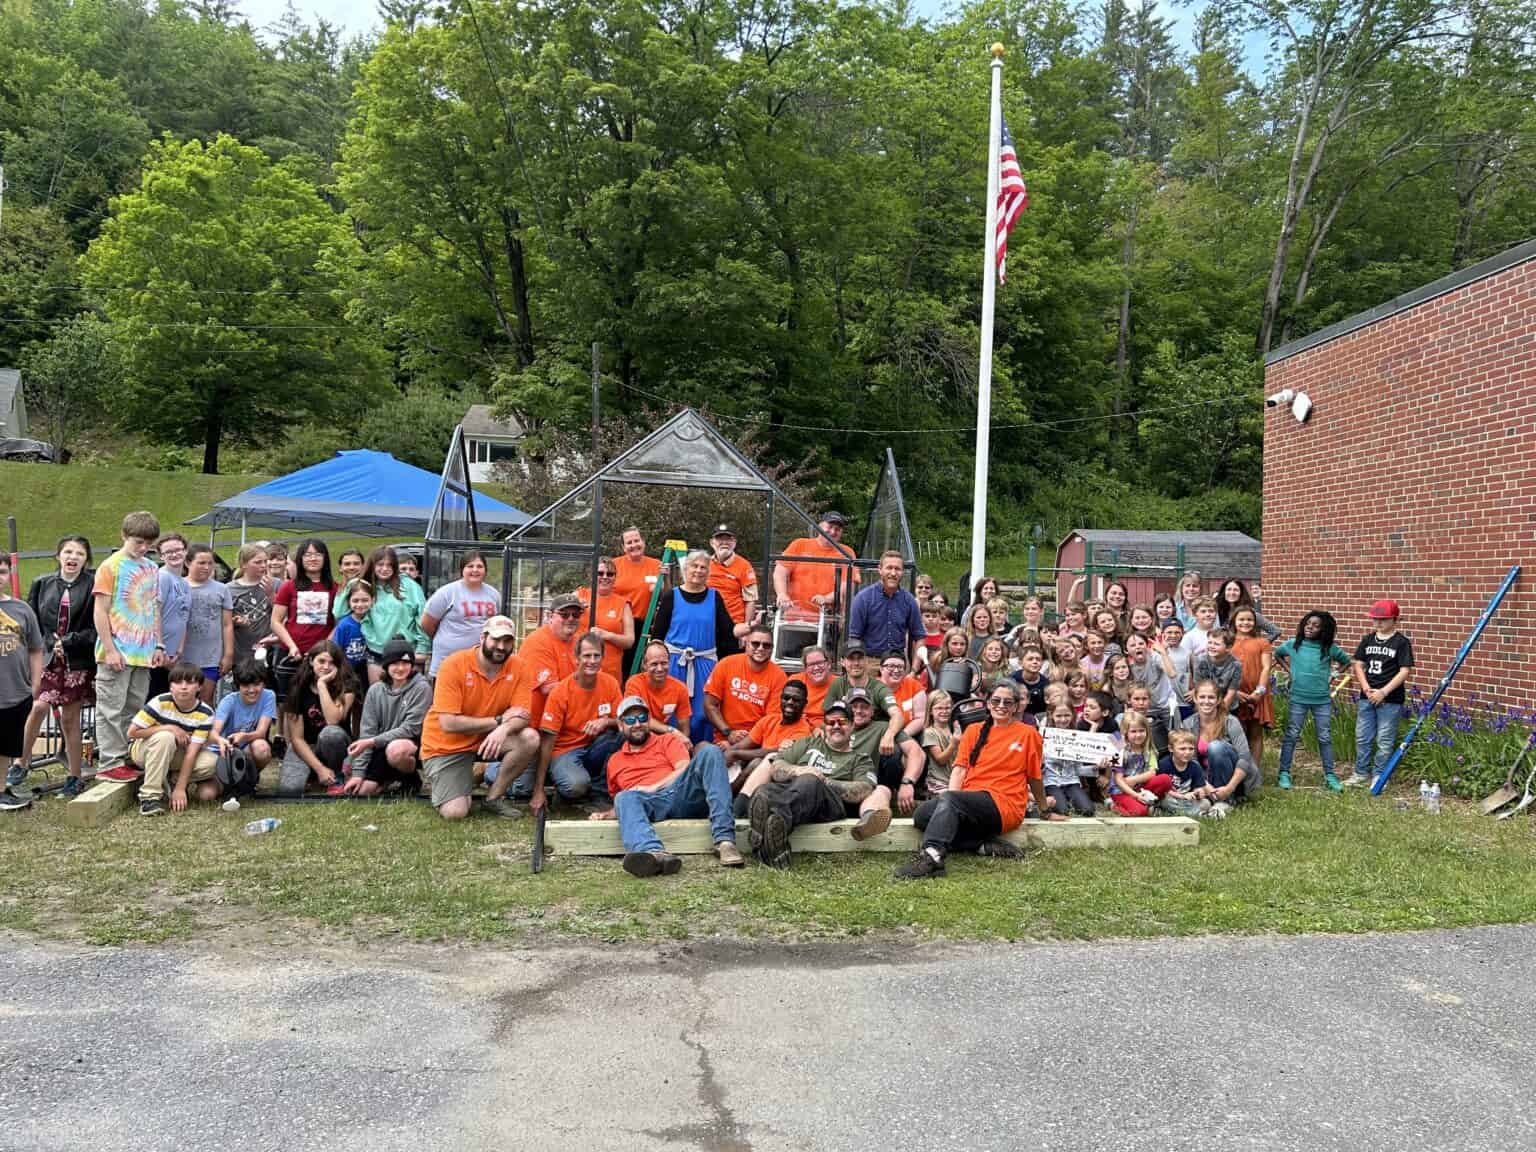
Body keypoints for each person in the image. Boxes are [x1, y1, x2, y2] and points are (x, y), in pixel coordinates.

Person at [895, 680, 1062, 879]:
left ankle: (932, 857)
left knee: (950, 801)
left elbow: (1035, 778)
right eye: (996, 701)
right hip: (970, 801)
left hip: (1005, 804)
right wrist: (949, 800)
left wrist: (1044, 810)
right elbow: (958, 771)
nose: (1001, 706)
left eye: (1007, 702)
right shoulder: (973, 731)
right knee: (921, 815)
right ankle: (980, 844)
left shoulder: (1028, 734)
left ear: (1016, 706)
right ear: (988, 703)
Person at [599, 695, 745, 876]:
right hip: (650, 804)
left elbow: (684, 769)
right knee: (624, 796)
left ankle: (725, 841)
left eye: (642, 718)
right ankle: (653, 854)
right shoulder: (614, 761)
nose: (637, 723)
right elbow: (623, 803)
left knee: (710, 751)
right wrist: (605, 815)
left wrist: (654, 787)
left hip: (680, 792)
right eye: (630, 719)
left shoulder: (667, 740)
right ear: (621, 726)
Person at [745, 697, 891, 869]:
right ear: (825, 726)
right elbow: (777, 766)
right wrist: (798, 770)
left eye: (842, 721)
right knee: (764, 791)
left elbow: (864, 789)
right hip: (793, 793)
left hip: (829, 804)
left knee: (809, 781)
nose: (836, 726)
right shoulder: (808, 743)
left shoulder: (860, 759)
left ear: (852, 726)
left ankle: (771, 826)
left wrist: (824, 781)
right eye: (830, 722)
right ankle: (774, 841)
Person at [419, 615, 541, 821]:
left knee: (530, 738)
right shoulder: (453, 665)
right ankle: (452, 783)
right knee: (455, 813)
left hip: (489, 739)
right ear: (482, 638)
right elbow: (448, 723)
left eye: (507, 641)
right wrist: (499, 721)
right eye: (496, 639)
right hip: (446, 745)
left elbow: (523, 716)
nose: (501, 646)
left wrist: (503, 730)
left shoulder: (519, 666)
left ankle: (493, 799)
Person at [18, 536, 95, 798]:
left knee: (71, 719)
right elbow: (32, 622)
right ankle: (22, 762)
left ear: (86, 559)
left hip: (77, 661)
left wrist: (70, 642)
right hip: (48, 657)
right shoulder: (42, 584)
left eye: (80, 554)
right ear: (58, 555)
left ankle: (74, 776)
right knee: (39, 705)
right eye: (68, 552)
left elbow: (96, 628)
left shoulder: (93, 585)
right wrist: (49, 643)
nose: (73, 558)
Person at [513, 631, 622, 809]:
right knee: (575, 786)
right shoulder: (561, 691)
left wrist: (606, 722)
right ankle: (560, 781)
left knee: (620, 736)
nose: (592, 661)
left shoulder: (610, 683)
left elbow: (623, 720)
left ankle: (599, 793)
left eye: (597, 656)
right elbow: (548, 741)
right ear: (577, 659)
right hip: (564, 750)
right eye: (587, 656)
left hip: (594, 747)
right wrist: (538, 790)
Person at [92, 511, 164, 780]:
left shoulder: (152, 568)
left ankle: (126, 757)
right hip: (117, 651)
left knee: (134, 709)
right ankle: (109, 763)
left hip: (143, 653)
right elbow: (101, 610)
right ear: (124, 536)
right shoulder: (111, 566)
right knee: (111, 708)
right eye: (138, 542)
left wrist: (158, 644)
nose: (143, 548)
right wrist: (110, 649)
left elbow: (153, 608)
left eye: (148, 543)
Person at [652, 550, 740, 743]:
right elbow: (657, 635)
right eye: (695, 566)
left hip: (705, 665)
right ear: (686, 568)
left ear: (708, 572)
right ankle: (671, 754)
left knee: (703, 714)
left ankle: (701, 754)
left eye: (703, 567)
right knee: (673, 713)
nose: (698, 571)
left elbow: (728, 631)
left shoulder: (715, 597)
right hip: (674, 665)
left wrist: (748, 629)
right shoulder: (671, 597)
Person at [125, 663, 218, 816]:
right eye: (178, 682)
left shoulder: (206, 713)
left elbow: (191, 753)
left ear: (200, 687)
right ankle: (150, 798)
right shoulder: (160, 702)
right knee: (166, 737)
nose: (183, 687)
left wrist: (180, 788)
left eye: (190, 682)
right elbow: (133, 732)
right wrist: (169, 728)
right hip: (144, 750)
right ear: (171, 686)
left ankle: (171, 780)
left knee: (212, 762)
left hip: (177, 754)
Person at [1274, 610, 1352, 791]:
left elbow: (1346, 661)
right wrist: (1289, 671)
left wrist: (1333, 675)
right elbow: (1277, 654)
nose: (1310, 628)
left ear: (1324, 630)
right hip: (1298, 698)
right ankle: (1284, 772)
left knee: (1324, 737)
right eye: (1308, 624)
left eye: (1316, 626)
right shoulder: (1293, 644)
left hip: (1322, 700)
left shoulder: (1329, 648)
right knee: (1291, 735)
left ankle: (1330, 775)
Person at [343, 637, 431, 797]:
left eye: (405, 663)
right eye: (395, 663)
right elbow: (367, 731)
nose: (400, 668)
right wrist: (358, 773)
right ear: (386, 666)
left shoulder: (422, 688)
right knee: (362, 792)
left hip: (409, 745)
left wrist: (370, 742)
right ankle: (387, 780)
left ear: (412, 665)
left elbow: (411, 729)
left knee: (396, 750)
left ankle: (410, 780)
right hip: (379, 746)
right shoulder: (375, 690)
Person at [1349, 599, 1415, 788]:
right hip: (1367, 696)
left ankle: (1379, 775)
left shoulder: (1401, 642)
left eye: (1383, 619)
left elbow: (1404, 671)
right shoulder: (1368, 639)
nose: (1378, 623)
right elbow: (1358, 664)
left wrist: (1383, 692)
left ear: (1395, 620)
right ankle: (1361, 772)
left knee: (1384, 739)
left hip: (1390, 699)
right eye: (1375, 619)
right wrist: (1365, 688)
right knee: (1362, 736)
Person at [277, 641, 357, 795]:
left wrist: (322, 685)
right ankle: (317, 773)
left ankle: (337, 774)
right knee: (289, 790)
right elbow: (297, 739)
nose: (326, 667)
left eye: (331, 663)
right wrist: (319, 769)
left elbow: (333, 721)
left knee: (330, 733)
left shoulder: (347, 685)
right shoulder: (298, 686)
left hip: (336, 746)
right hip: (307, 746)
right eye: (321, 661)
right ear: (311, 660)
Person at [0, 558, 44, 811]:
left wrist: (35, 681)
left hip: (15, 690)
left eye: (2, 571)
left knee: (6, 745)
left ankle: (2, 791)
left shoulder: (22, 610)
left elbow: (36, 649)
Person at [1175, 679, 1256, 813]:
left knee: (1215, 747)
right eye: (1202, 697)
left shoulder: (1231, 722)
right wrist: (1205, 786)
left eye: (1211, 697)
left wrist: (1229, 788)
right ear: (1195, 698)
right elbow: (1191, 761)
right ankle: (1212, 797)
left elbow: (1245, 758)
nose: (1206, 701)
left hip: (1234, 779)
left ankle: (1226, 799)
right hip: (1206, 777)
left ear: (1218, 700)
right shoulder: (1188, 723)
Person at [271, 539, 338, 700]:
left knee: (318, 702)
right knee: (289, 706)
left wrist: (324, 648)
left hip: (322, 658)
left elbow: (338, 623)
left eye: (317, 554)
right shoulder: (289, 586)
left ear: (325, 558)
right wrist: (292, 646)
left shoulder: (335, 588)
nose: (313, 559)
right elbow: (275, 621)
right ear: (300, 559)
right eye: (307, 555)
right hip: (291, 654)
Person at [704, 623, 786, 750]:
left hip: (757, 742)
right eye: (755, 643)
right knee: (703, 750)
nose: (760, 648)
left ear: (772, 648)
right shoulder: (726, 664)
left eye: (766, 645)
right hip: (725, 737)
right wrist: (729, 733)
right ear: (746, 644)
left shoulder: (779, 676)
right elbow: (710, 704)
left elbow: (771, 719)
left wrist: (745, 742)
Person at [421, 552, 500, 676]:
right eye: (470, 566)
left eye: (479, 566)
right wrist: (446, 639)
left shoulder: (493, 594)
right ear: (462, 569)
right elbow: (426, 623)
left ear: (485, 570)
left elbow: (494, 625)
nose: (475, 570)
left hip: (480, 662)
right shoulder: (446, 593)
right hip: (448, 661)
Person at [356, 545, 429, 680]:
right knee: (378, 697)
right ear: (372, 565)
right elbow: (339, 611)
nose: (385, 569)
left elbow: (422, 618)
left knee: (408, 698)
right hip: (377, 653)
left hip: (406, 653)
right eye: (380, 564)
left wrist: (422, 649)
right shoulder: (366, 587)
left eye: (389, 565)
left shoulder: (409, 585)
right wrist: (355, 581)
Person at [772, 512, 859, 619]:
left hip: (828, 619)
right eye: (830, 527)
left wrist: (828, 598)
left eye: (837, 529)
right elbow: (780, 572)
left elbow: (848, 585)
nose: (833, 532)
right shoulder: (799, 545)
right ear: (820, 526)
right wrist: (782, 594)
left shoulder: (846, 553)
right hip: (794, 616)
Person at [725, 680, 813, 780]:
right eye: (786, 698)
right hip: (750, 766)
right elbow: (742, 745)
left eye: (796, 700)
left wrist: (736, 754)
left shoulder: (804, 731)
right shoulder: (769, 720)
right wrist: (729, 753)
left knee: (756, 762)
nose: (790, 702)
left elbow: (774, 754)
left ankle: (729, 794)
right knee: (709, 749)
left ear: (805, 703)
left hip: (776, 774)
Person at [209, 660, 277, 790]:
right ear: (238, 685)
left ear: (263, 683)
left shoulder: (269, 696)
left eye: (256, 684)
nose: (251, 690)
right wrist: (222, 741)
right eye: (246, 685)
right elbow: (213, 732)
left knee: (262, 748)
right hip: (222, 751)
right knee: (207, 795)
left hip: (245, 747)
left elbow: (261, 732)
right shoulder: (228, 701)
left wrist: (243, 736)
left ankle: (249, 780)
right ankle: (227, 782)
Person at [847, 551, 924, 663]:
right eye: (889, 568)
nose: (893, 573)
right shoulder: (863, 598)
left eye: (897, 569)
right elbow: (854, 638)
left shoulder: (909, 600)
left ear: (902, 572)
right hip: (870, 663)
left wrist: (913, 671)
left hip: (898, 664)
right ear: (880, 569)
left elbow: (920, 637)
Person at [181, 544, 233, 703]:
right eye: (201, 563)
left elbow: (227, 624)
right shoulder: (179, 586)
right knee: (184, 699)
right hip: (183, 657)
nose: (207, 567)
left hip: (211, 657)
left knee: (205, 699)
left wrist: (228, 654)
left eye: (210, 563)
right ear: (188, 563)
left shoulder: (222, 589)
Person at [517, 593, 583, 716]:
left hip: (567, 717)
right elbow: (548, 688)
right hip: (538, 721)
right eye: (564, 615)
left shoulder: (579, 641)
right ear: (550, 616)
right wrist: (586, 683)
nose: (571, 619)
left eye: (576, 615)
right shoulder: (537, 641)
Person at [1229, 606, 1275, 780]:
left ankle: (1254, 772)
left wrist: (1260, 691)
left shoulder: (1262, 642)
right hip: (1235, 692)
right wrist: (1234, 692)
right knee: (1237, 732)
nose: (1245, 623)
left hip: (1257, 692)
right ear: (1234, 621)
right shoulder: (1228, 640)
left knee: (1255, 733)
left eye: (1249, 620)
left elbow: (1266, 667)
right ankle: (1239, 771)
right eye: (1241, 619)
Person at [576, 559, 636, 682]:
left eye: (610, 574)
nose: (605, 577)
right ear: (592, 574)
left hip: (610, 671)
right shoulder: (580, 595)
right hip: (579, 668)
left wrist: (607, 635)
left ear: (615, 577)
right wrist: (574, 607)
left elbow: (629, 641)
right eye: (600, 573)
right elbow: (559, 616)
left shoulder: (623, 604)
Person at [624, 639, 694, 742]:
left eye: (664, 663)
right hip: (639, 736)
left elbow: (685, 728)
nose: (660, 668)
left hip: (664, 739)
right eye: (654, 664)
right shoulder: (634, 683)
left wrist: (682, 742)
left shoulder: (680, 688)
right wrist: (671, 731)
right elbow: (637, 717)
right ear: (644, 665)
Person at [1108, 710, 1174, 816]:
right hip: (1121, 790)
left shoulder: (1149, 748)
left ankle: (1147, 802)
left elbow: (1152, 772)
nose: (1138, 735)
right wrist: (1136, 796)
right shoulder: (1119, 749)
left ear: (1147, 731)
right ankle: (1113, 805)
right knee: (1140, 812)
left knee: (1165, 779)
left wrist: (1134, 780)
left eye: (1141, 731)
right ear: (1126, 733)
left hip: (1140, 786)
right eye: (1133, 731)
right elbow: (1118, 780)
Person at [147, 533, 189, 700]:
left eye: (178, 549)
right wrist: (160, 647)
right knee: (155, 701)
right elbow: (154, 613)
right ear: (161, 555)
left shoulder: (184, 583)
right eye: (168, 552)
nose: (174, 554)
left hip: (174, 656)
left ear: (185, 551)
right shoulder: (162, 577)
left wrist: (179, 651)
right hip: (158, 655)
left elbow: (184, 617)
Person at [1041, 701, 1094, 816]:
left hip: (1071, 782)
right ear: (1051, 715)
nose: (1063, 719)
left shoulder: (1076, 737)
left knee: (1088, 810)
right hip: (1051, 782)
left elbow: (1079, 770)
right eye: (1059, 716)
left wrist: (1097, 768)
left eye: (1067, 715)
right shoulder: (1043, 736)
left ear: (1073, 715)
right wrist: (1041, 763)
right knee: (1062, 811)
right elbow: (1038, 771)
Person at [706, 524, 761, 633]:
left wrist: (746, 629)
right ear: (712, 542)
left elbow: (750, 600)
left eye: (728, 539)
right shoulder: (704, 563)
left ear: (734, 543)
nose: (724, 542)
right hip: (706, 623)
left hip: (733, 625)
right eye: (720, 539)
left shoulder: (745, 566)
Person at [228, 543, 273, 669]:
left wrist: (271, 595)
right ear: (243, 565)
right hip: (241, 653)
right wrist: (236, 621)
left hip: (269, 651)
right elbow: (223, 621)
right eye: (258, 562)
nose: (263, 566)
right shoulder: (229, 589)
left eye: (265, 561)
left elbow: (284, 616)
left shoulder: (274, 584)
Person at [611, 526, 663, 627]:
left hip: (645, 625)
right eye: (629, 542)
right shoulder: (613, 565)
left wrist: (663, 584)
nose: (634, 545)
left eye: (636, 540)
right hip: (618, 623)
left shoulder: (657, 565)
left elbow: (665, 596)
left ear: (643, 542)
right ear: (623, 547)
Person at [920, 688, 960, 797]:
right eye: (939, 708)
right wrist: (954, 744)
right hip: (938, 781)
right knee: (951, 799)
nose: (944, 711)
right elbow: (940, 759)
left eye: (947, 708)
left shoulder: (954, 728)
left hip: (954, 779)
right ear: (931, 711)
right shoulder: (930, 732)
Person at [331, 581, 374, 684]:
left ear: (372, 600)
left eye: (365, 600)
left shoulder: (374, 622)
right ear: (349, 602)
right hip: (347, 671)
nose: (360, 604)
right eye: (355, 601)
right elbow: (336, 649)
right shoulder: (344, 624)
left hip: (368, 669)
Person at [1191, 627, 1241, 712]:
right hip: (1205, 703)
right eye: (1210, 642)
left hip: (1227, 705)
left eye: (1216, 644)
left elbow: (1231, 691)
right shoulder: (1200, 661)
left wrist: (1221, 711)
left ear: (1228, 647)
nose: (1211, 646)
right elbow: (1198, 687)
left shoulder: (1236, 665)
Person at [785, 644, 836, 728]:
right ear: (805, 668)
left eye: (820, 663)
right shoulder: (795, 681)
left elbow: (845, 718)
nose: (816, 668)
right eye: (811, 664)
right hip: (798, 728)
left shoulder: (839, 684)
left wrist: (823, 727)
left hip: (828, 730)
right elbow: (784, 711)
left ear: (829, 664)